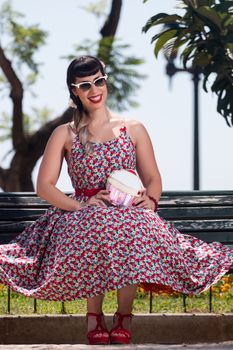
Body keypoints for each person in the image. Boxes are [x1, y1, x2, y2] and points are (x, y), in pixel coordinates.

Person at [0, 55, 233, 346]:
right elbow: (44, 187)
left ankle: (124, 315)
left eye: (98, 81)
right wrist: (81, 206)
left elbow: (153, 178)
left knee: (134, 225)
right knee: (97, 222)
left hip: (128, 211)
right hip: (82, 211)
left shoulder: (132, 128)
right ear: (74, 90)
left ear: (105, 81)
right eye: (85, 85)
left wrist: (151, 200)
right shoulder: (65, 134)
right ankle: (93, 316)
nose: (94, 89)